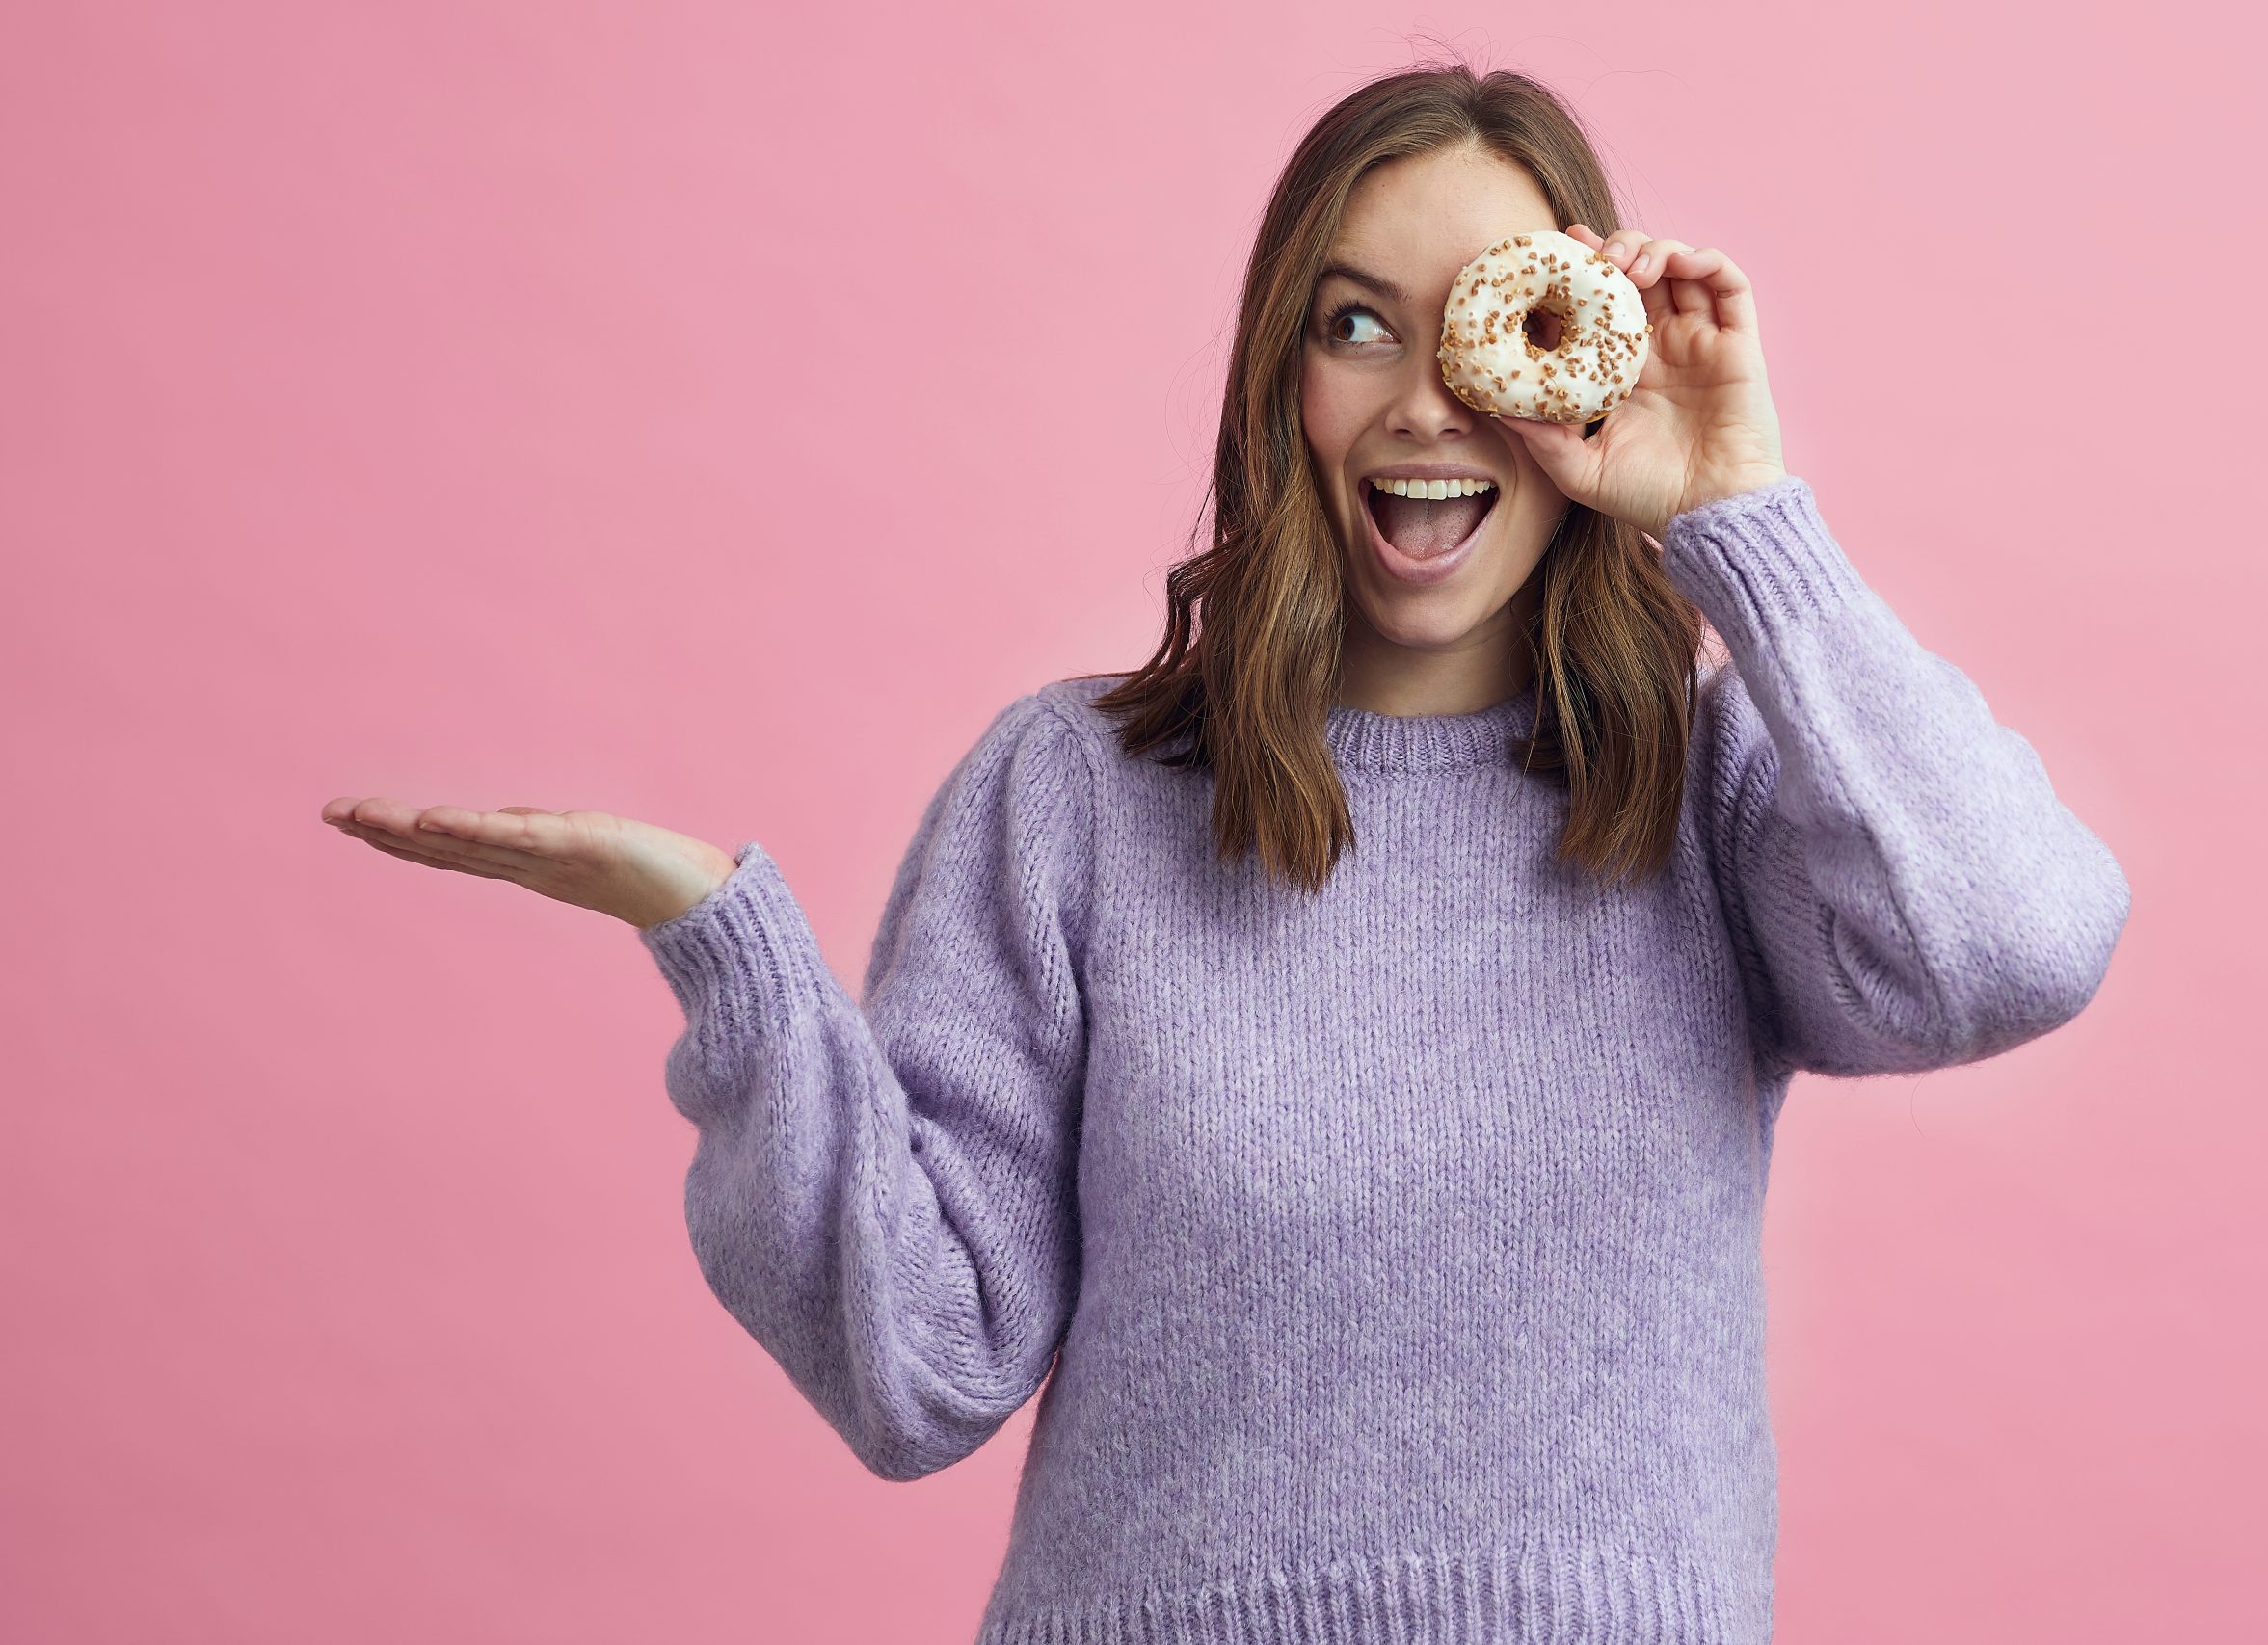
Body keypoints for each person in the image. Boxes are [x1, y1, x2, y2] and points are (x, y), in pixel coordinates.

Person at [319, 60, 2130, 1645]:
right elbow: (922, 1365)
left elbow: (2016, 946)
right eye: (1354, 327)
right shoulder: (1076, 798)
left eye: (1481, 330)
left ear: (1583, 356)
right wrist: (724, 946)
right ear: (1282, 379)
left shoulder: (1711, 789)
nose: (1423, 405)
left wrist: (1743, 515)